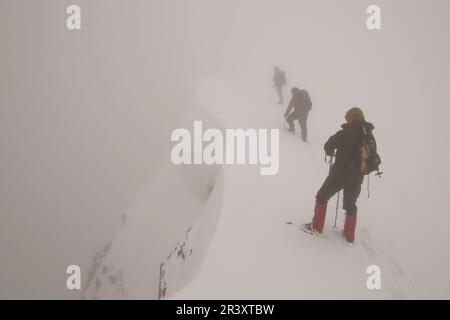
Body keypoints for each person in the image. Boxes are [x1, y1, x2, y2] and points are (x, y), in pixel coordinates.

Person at [301, 107, 374, 243]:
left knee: (322, 196)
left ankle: (316, 228)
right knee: (351, 204)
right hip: (358, 176)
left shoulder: (345, 133)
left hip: (340, 174)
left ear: (350, 118)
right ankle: (349, 236)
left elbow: (328, 145)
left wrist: (331, 152)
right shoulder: (368, 134)